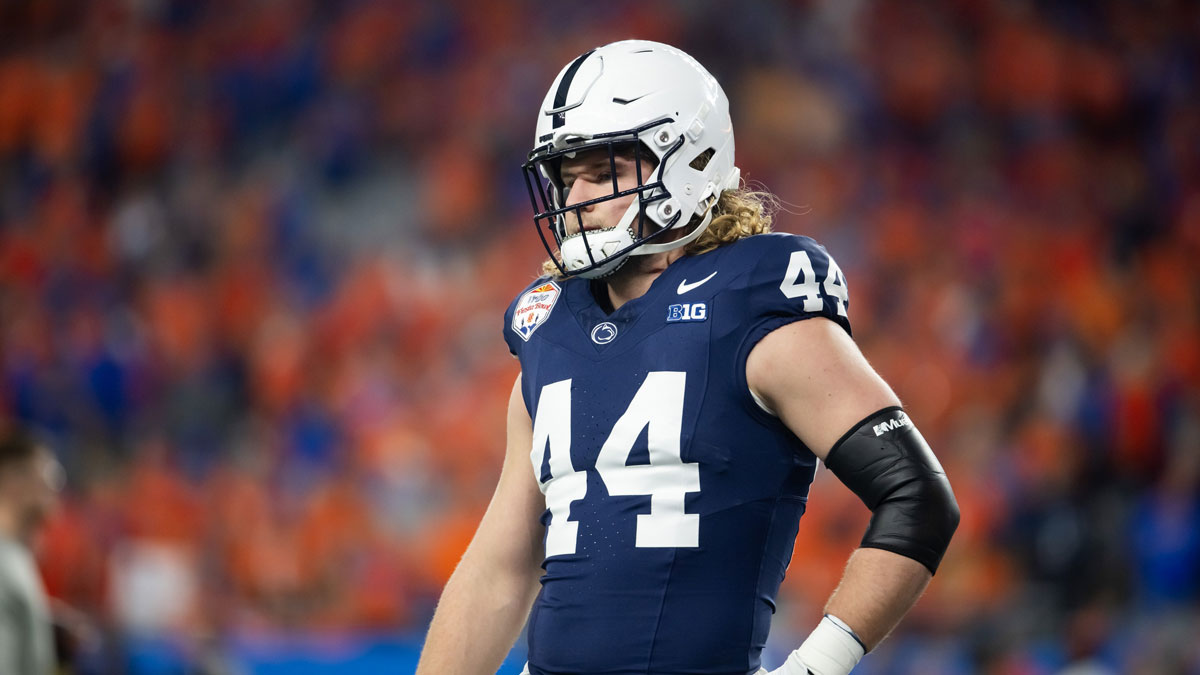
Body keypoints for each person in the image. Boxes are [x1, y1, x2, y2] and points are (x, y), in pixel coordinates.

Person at [417, 39, 959, 675]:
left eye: (604, 174)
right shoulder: (551, 334)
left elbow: (916, 497)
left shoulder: (755, 312)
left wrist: (817, 666)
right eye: (566, 178)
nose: (575, 200)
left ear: (688, 163)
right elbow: (500, 569)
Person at [0, 426, 63, 675]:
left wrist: (43, 623)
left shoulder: (15, 557)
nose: (55, 487)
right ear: (13, 481)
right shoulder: (4, 565)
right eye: (50, 475)